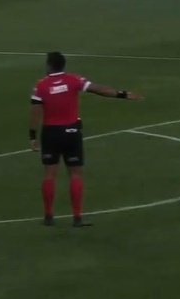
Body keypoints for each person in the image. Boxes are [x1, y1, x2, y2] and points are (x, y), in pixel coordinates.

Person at [30, 51, 142, 227]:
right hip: (72, 131)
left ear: (49, 65)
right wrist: (123, 94)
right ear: (63, 65)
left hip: (51, 133)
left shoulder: (41, 86)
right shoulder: (74, 80)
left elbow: (36, 112)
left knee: (50, 174)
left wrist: (33, 136)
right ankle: (77, 217)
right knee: (75, 174)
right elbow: (99, 90)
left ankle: (49, 216)